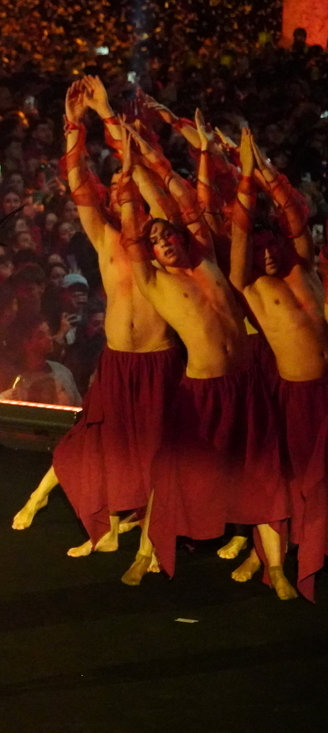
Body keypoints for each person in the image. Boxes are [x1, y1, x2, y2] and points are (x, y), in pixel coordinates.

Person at [112, 131, 290, 589]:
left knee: (262, 469)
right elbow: (133, 228)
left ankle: (274, 566)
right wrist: (129, 174)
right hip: (203, 389)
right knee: (172, 470)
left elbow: (187, 204)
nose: (164, 240)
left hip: (245, 382)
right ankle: (147, 551)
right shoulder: (154, 282)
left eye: (167, 233)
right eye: (155, 240)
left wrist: (162, 161)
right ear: (148, 252)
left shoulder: (207, 259)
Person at [13, 79, 182, 559]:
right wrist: (71, 125)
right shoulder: (106, 240)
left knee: (155, 451)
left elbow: (154, 179)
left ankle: (149, 534)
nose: (120, 190)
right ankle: (91, 516)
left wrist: (108, 114)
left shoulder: (161, 239)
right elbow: (77, 184)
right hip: (116, 361)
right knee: (95, 440)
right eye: (115, 188)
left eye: (127, 187)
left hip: (155, 360)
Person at [228, 128, 327, 599]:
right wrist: (246, 179)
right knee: (289, 481)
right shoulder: (251, 287)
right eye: (258, 251)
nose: (266, 255)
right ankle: (274, 559)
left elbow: (295, 217)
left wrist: (268, 171)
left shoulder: (302, 268)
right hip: (297, 394)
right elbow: (241, 236)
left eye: (273, 248)